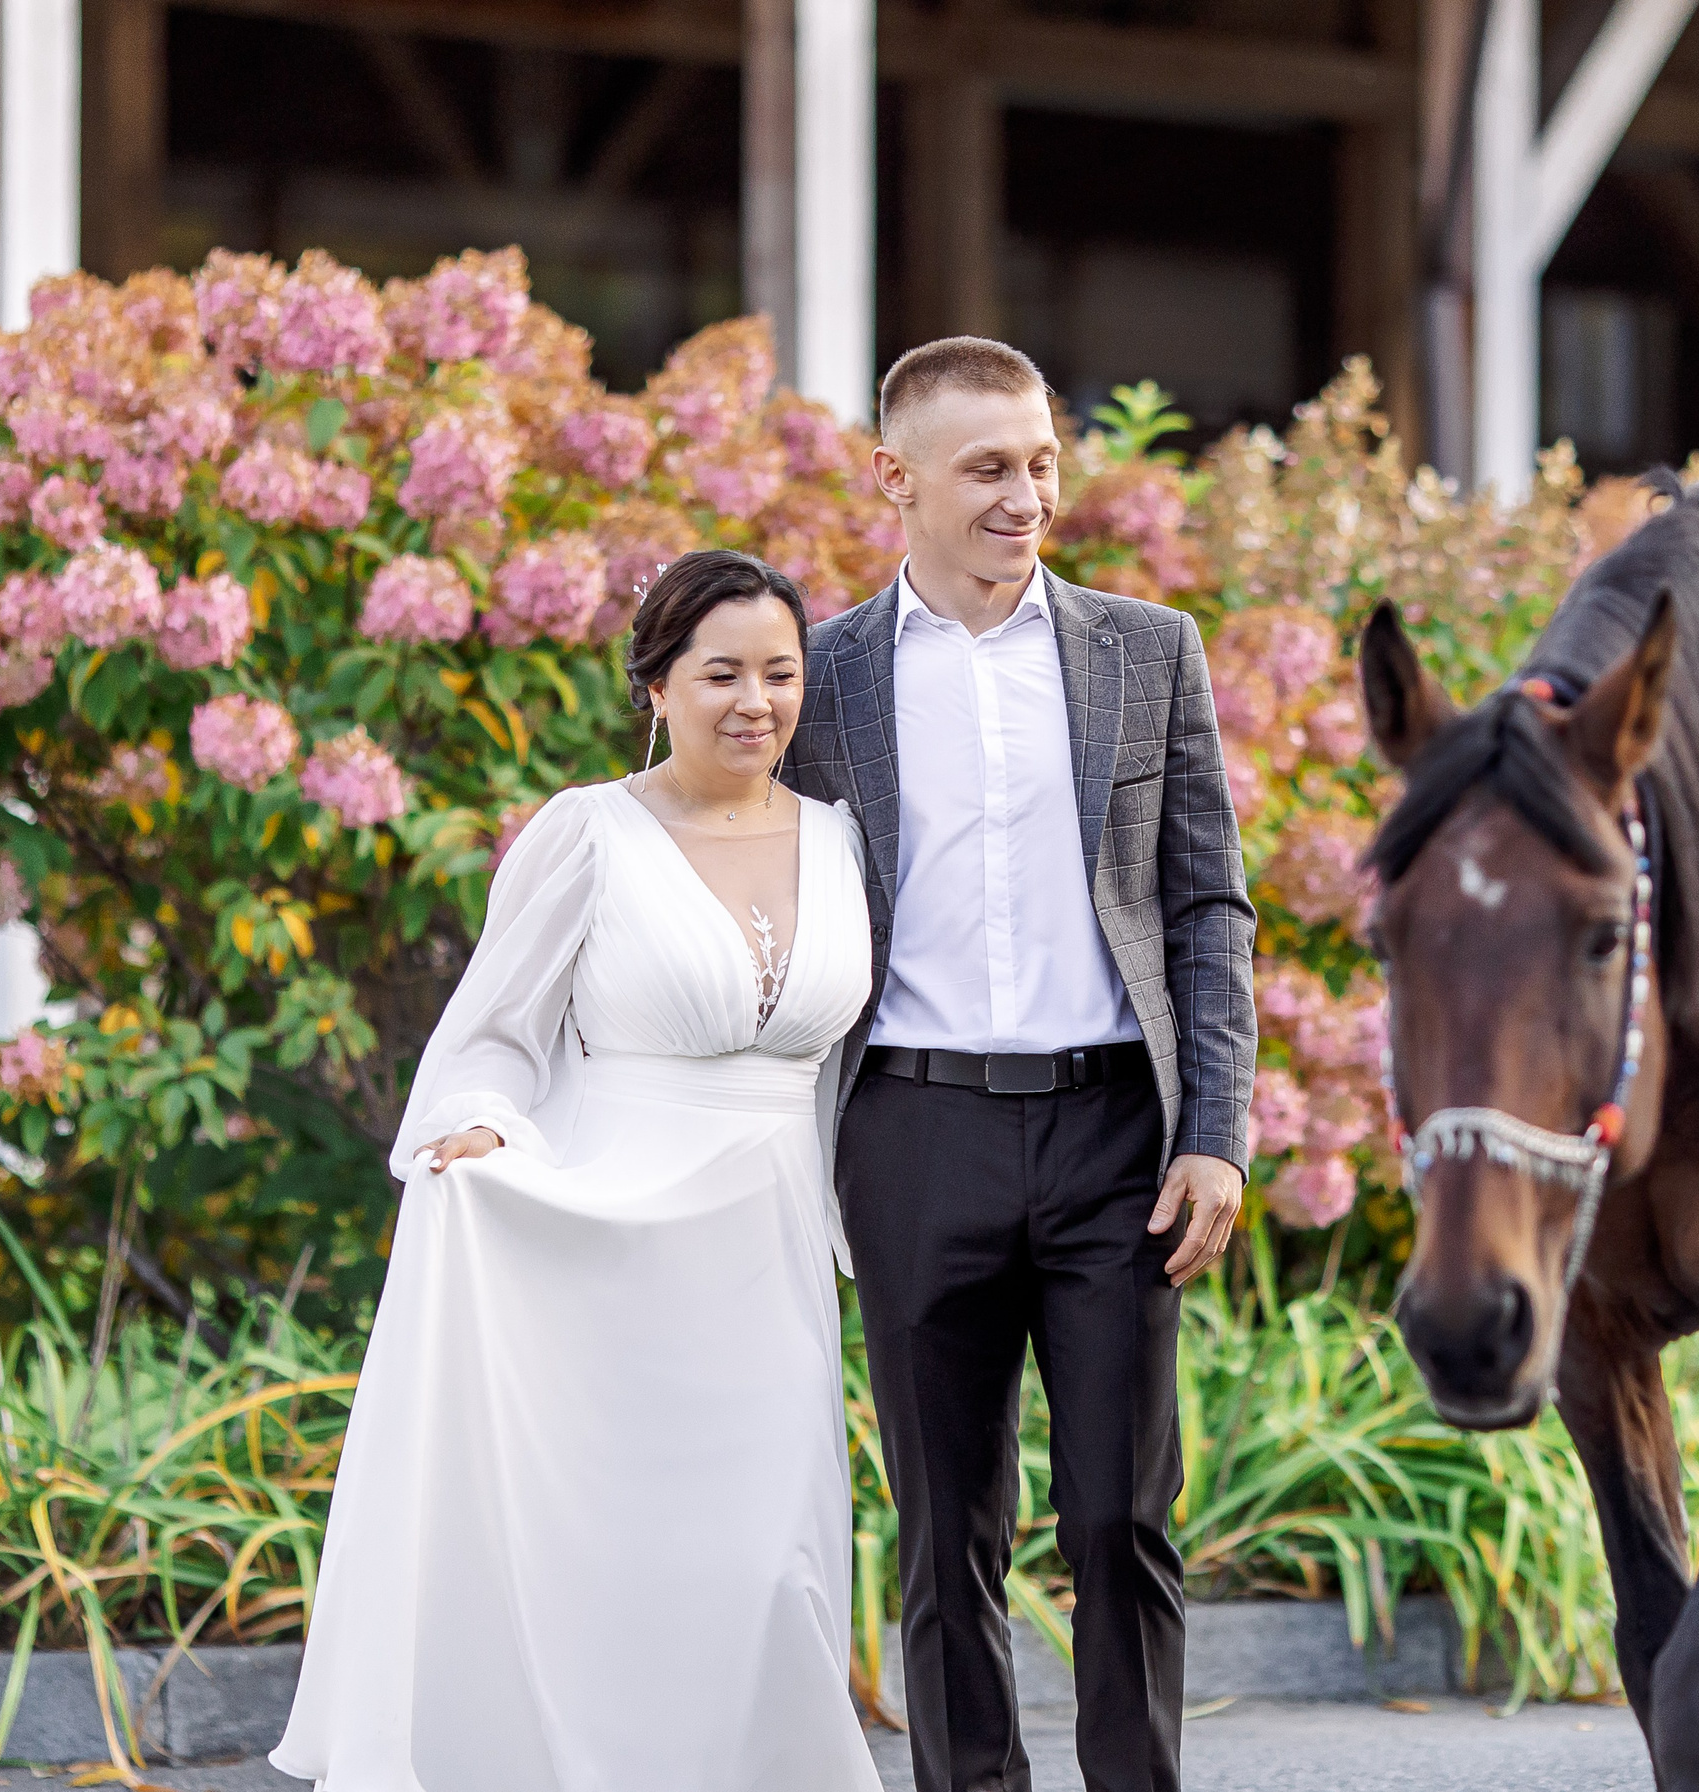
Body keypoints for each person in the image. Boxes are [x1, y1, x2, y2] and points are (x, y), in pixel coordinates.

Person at [271, 552, 883, 1791]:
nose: (755, 701)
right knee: (612, 1561)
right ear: (656, 685)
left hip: (769, 1258)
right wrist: (484, 1127)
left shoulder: (844, 838)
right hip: (613, 1244)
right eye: (720, 673)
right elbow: (491, 1033)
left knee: (770, 1566)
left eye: (779, 673)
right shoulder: (588, 833)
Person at [781, 336, 1257, 1792]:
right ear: (897, 478)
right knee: (947, 1535)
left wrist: (1217, 1131)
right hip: (912, 1135)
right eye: (988, 467)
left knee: (1121, 1521)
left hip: (1118, 1137)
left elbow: (1208, 903)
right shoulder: (824, 676)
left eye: (1043, 462)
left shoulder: (1146, 650)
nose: (1027, 495)